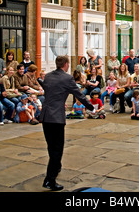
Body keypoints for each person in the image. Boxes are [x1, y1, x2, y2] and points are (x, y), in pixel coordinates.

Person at [39, 55, 94, 191]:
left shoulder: (49, 76)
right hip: (56, 117)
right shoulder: (67, 78)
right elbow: (79, 95)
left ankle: (56, 167)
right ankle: (49, 180)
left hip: (45, 115)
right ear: (66, 64)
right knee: (57, 148)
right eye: (68, 64)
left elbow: (47, 89)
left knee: (51, 145)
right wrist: (92, 107)